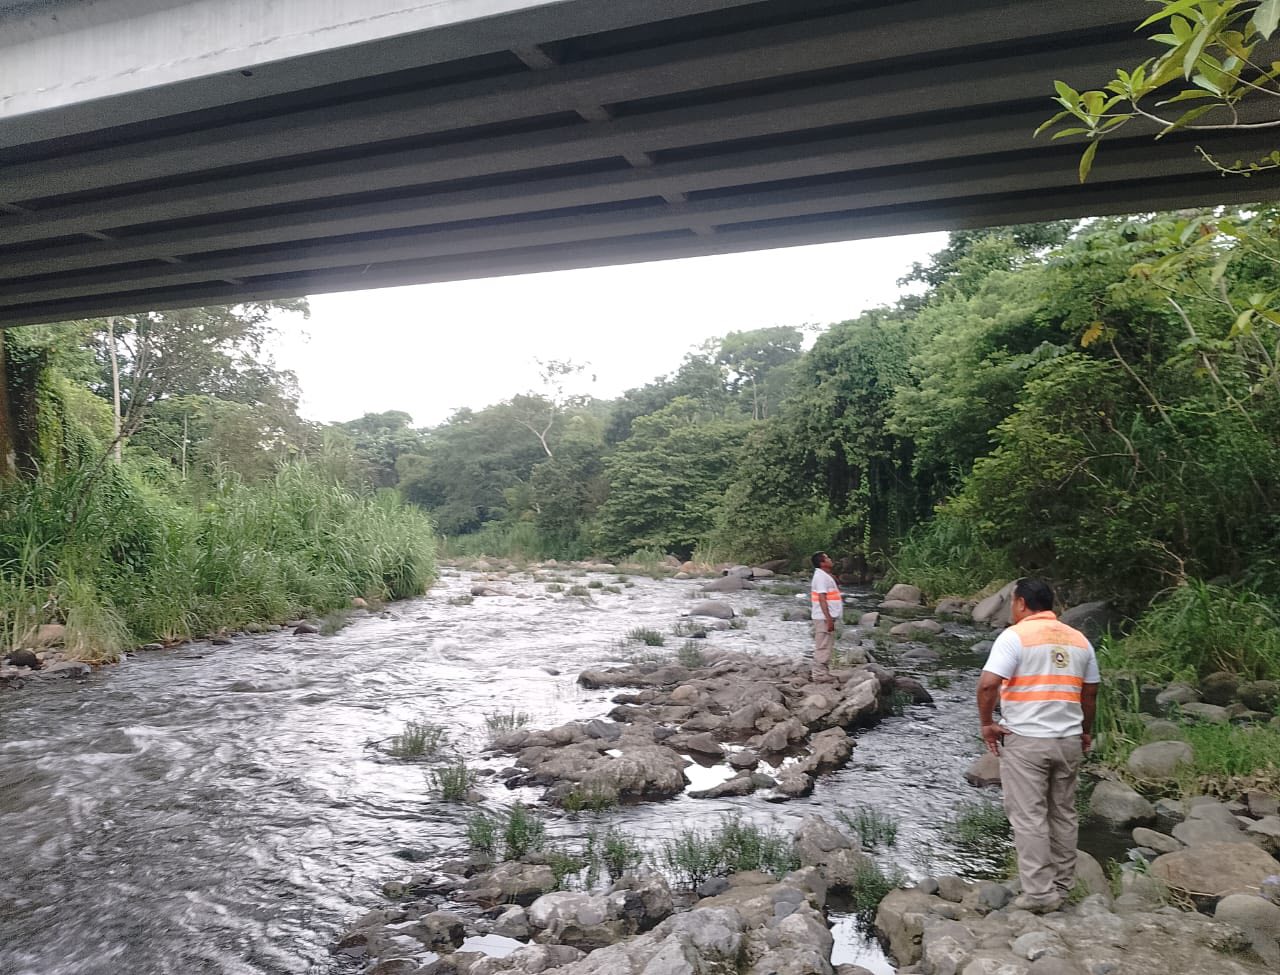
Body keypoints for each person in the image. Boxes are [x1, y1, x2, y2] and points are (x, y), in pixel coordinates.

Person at [976, 578, 1100, 913]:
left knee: (1029, 817)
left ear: (1019, 603)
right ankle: (1061, 886)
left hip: (1028, 741)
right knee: (1063, 814)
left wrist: (987, 724)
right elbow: (1089, 695)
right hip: (1068, 740)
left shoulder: (1014, 637)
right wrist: (1085, 732)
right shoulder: (1079, 640)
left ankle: (1040, 894)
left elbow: (988, 685)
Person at [809, 551, 842, 683]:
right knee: (822, 644)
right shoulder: (821, 577)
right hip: (823, 617)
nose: (830, 559)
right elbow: (822, 598)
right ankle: (819, 674)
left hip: (825, 616)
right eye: (827, 558)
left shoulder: (823, 575)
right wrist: (828, 619)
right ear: (822, 563)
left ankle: (823, 672)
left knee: (826, 644)